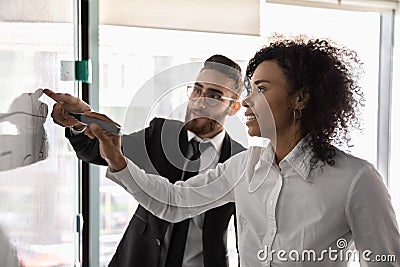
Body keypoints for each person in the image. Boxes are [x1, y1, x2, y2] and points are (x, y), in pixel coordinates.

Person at [81, 35, 400, 266]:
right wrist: (117, 158)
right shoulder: (242, 167)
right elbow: (174, 202)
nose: (247, 102)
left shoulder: (356, 180)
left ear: (300, 98)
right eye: (249, 90)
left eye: (261, 89)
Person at [45, 55, 245, 267]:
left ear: (233, 107)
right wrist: (80, 119)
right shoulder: (161, 134)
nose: (199, 101)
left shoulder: (241, 161)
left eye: (214, 96)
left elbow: (249, 234)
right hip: (138, 257)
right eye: (197, 89)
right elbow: (97, 150)